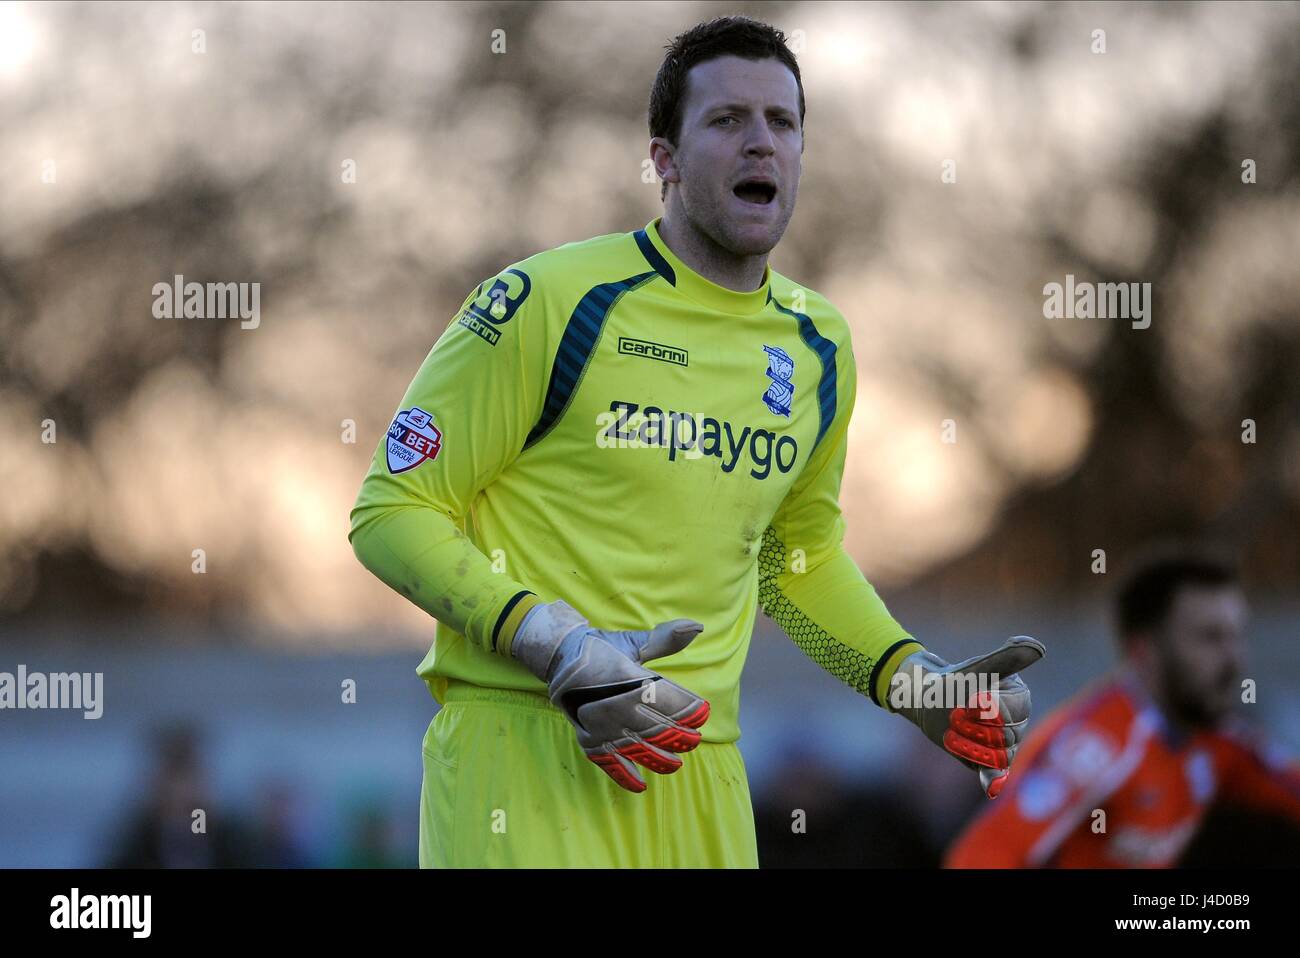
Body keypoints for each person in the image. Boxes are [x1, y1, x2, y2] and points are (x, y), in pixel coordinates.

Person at [350, 15, 1042, 868]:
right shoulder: (551, 300)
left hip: (705, 775)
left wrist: (914, 685)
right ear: (664, 160)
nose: (761, 144)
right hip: (524, 757)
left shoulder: (819, 344)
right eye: (726, 121)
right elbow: (390, 509)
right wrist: (555, 643)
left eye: (782, 124)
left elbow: (799, 562)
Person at [946, 550, 1300, 868]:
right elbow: (984, 853)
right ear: (1144, 651)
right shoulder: (1099, 745)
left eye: (1237, 636)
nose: (1234, 659)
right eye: (1209, 637)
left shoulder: (1219, 740)